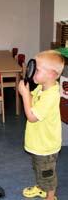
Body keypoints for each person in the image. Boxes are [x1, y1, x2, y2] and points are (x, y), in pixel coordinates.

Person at [18, 50, 65, 200]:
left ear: (51, 74)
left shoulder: (51, 96)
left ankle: (50, 196)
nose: (33, 73)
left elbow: (32, 116)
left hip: (46, 146)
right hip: (39, 143)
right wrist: (28, 93)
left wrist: (25, 95)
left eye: (37, 70)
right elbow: (33, 100)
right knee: (39, 169)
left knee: (47, 174)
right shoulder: (42, 88)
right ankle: (41, 187)